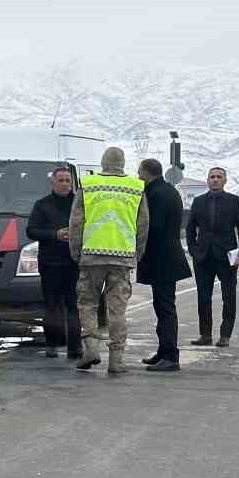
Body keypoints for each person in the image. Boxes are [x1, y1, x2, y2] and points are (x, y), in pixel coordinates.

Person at [70, 147, 149, 375]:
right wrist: (137, 254)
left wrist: (76, 252)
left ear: (103, 163)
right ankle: (116, 359)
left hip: (92, 256)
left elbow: (76, 222)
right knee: (117, 310)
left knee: (88, 303)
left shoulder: (88, 185)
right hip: (122, 258)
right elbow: (142, 226)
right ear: (123, 163)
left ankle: (91, 347)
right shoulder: (136, 188)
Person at [136, 157, 190, 372]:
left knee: (166, 308)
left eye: (140, 172)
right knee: (162, 307)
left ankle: (170, 356)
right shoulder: (168, 190)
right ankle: (163, 351)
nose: (138, 176)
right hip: (166, 258)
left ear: (147, 173)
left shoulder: (156, 194)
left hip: (163, 260)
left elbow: (153, 226)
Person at [187, 165, 239, 347]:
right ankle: (205, 335)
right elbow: (190, 229)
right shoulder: (198, 202)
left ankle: (225, 336)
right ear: (207, 180)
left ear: (224, 180)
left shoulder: (234, 201)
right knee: (203, 297)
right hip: (203, 257)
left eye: (218, 177)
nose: (215, 179)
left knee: (228, 297)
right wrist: (194, 251)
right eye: (212, 177)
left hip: (227, 257)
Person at [25, 166, 83, 359]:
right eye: (61, 180)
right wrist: (54, 235)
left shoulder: (79, 203)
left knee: (73, 305)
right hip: (50, 263)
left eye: (68, 180)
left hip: (74, 262)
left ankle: (75, 347)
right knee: (52, 306)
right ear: (53, 182)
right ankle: (52, 343)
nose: (65, 184)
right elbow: (31, 230)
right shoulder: (42, 205)